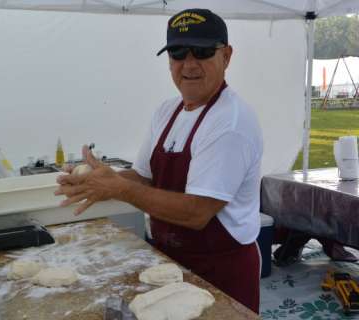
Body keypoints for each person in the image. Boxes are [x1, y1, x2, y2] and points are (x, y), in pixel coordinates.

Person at [55, 8, 263, 313]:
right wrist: (99, 180)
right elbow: (143, 177)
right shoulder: (168, 111)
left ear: (227, 56)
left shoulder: (230, 124)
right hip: (169, 262)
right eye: (178, 53)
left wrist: (118, 189)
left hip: (220, 270)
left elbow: (197, 213)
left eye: (203, 51)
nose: (189, 64)